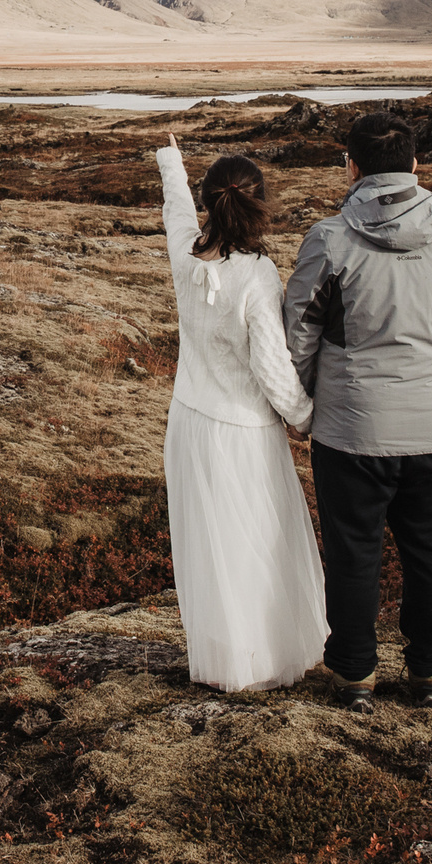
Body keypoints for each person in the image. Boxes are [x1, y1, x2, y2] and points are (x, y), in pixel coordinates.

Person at [283, 109, 432, 713]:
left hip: (351, 430)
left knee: (353, 550)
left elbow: (299, 331)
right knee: (431, 546)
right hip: (431, 427)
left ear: (351, 166)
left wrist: (313, 400)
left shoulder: (328, 238)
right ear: (415, 165)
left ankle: (355, 677)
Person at [154, 134, 326, 691]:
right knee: (256, 544)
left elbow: (175, 208)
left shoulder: (185, 254)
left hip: (189, 423)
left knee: (211, 548)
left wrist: (171, 160)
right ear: (257, 205)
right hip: (244, 432)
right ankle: (261, 660)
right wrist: (304, 418)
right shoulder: (257, 275)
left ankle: (226, 660)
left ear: (211, 203)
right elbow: (272, 366)